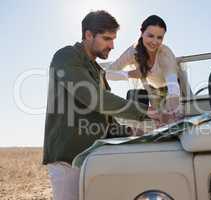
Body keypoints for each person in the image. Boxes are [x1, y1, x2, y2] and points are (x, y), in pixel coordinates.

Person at [43, 10, 161, 200]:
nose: (112, 45)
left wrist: (133, 132)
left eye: (113, 39)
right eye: (107, 38)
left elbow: (106, 121)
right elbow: (95, 98)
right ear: (88, 35)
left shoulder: (98, 71)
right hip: (68, 161)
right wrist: (145, 112)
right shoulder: (66, 57)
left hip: (93, 160)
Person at [105, 15, 192, 124]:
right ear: (142, 33)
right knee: (160, 123)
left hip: (176, 88)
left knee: (178, 120)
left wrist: (173, 103)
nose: (155, 42)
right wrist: (130, 74)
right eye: (150, 36)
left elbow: (173, 87)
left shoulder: (165, 54)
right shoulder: (133, 52)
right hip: (153, 90)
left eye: (159, 37)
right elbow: (107, 74)